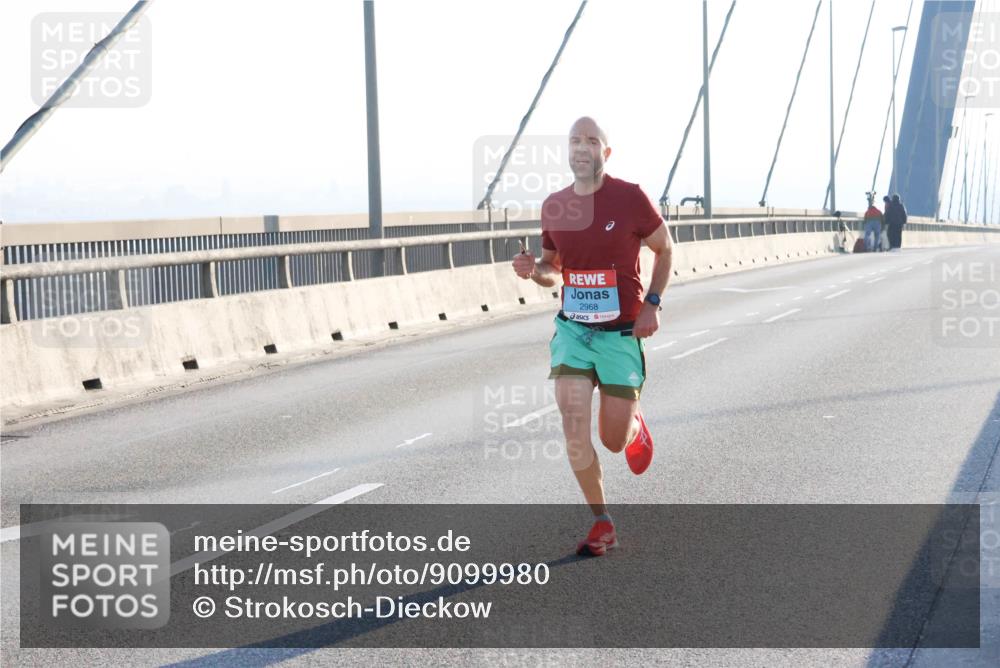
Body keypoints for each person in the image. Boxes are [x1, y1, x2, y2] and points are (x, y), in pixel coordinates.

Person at [512, 116, 673, 556]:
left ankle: (634, 426)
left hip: (620, 334)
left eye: (591, 140)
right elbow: (552, 268)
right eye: (574, 141)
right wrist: (534, 272)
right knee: (573, 427)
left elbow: (665, 248)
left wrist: (652, 304)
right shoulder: (555, 206)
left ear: (606, 152)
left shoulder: (630, 198)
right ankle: (602, 522)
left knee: (611, 440)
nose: (581, 147)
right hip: (573, 332)